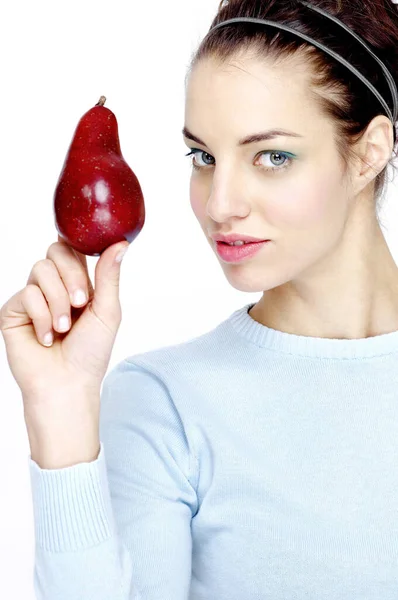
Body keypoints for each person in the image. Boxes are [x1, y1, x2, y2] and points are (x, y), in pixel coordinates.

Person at [1, 0, 398, 598]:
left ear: (369, 152)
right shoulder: (166, 405)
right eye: (205, 157)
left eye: (272, 156)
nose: (220, 204)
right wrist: (60, 415)